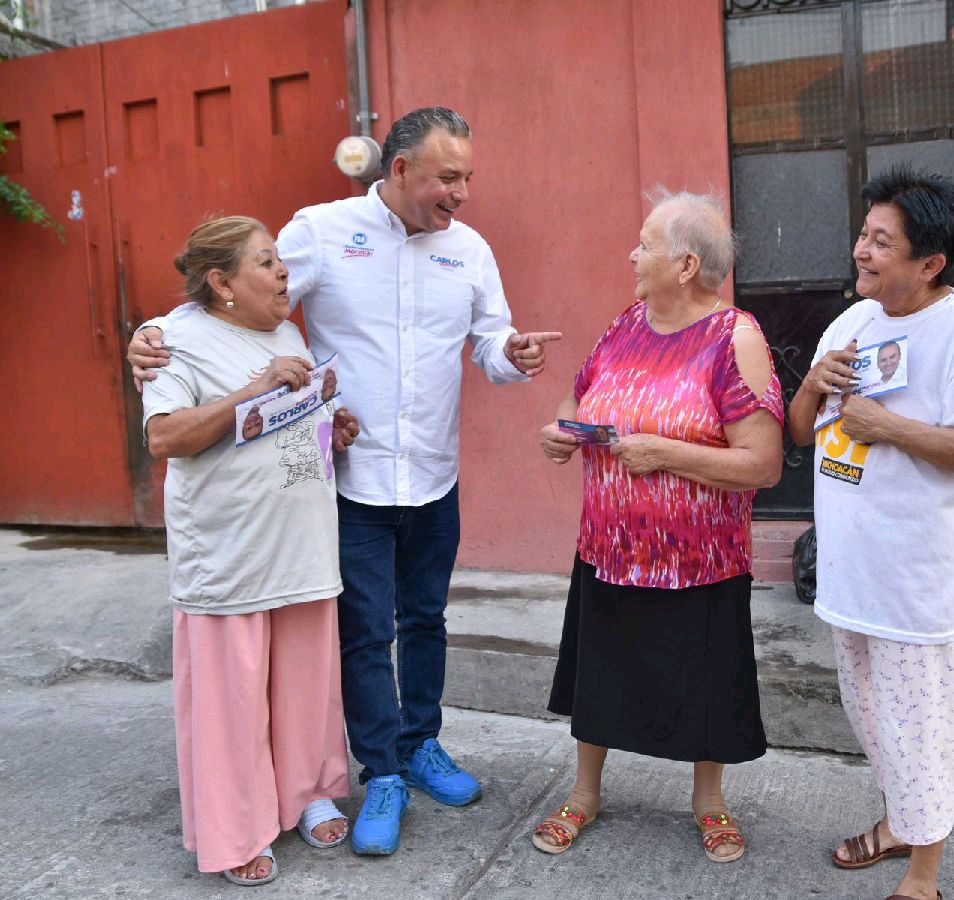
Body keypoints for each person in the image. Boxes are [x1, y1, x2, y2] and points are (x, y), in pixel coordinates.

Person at [127, 107, 561, 856]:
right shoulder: (323, 231)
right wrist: (154, 334)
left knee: (425, 619)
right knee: (363, 632)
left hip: (432, 473)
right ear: (399, 171)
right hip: (353, 481)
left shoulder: (471, 249)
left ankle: (423, 745)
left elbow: (487, 338)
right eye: (447, 177)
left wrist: (509, 353)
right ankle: (383, 769)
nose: (461, 192)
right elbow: (232, 293)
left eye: (467, 177)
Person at [787, 164, 954, 900]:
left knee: (919, 726)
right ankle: (897, 826)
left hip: (913, 576)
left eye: (880, 241)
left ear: (930, 263)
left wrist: (889, 426)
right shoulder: (854, 320)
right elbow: (801, 432)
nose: (861, 250)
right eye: (863, 234)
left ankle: (924, 877)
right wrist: (812, 383)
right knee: (871, 713)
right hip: (850, 569)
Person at [536, 190, 783, 863]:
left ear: (685, 264)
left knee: (704, 685)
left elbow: (762, 465)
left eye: (645, 244)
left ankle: (709, 803)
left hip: (699, 559)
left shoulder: (736, 338)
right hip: (609, 548)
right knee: (601, 677)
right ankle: (584, 793)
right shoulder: (626, 324)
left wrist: (662, 452)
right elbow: (579, 395)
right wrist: (562, 428)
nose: (633, 254)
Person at [142, 216, 361, 886]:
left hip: (301, 547)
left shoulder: (288, 331)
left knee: (305, 684)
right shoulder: (174, 341)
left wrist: (332, 429)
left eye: (279, 261)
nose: (283, 272)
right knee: (232, 697)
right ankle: (237, 828)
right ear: (222, 282)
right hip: (229, 553)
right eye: (266, 262)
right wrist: (255, 387)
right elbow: (166, 438)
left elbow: (276, 425)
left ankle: (308, 792)